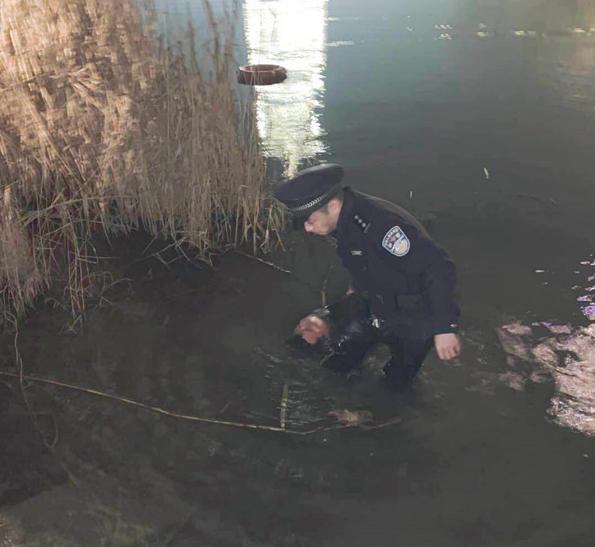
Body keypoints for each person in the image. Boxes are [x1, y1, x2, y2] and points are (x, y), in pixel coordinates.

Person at [274, 163, 461, 389]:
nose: (308, 229)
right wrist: (356, 288)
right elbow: (365, 259)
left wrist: (444, 328)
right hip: (375, 303)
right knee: (336, 364)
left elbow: (439, 268)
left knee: (396, 384)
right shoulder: (343, 218)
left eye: (309, 220)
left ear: (332, 206)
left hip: (416, 317)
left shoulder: (380, 225)